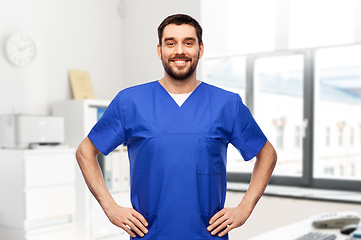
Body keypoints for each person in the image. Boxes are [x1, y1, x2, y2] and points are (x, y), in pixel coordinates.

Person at [76, 13, 277, 240]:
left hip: (207, 235)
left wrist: (244, 209)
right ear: (160, 50)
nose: (179, 51)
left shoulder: (227, 104)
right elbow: (85, 151)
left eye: (188, 43)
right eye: (170, 43)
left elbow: (267, 154)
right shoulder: (129, 102)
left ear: (200, 50)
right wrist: (111, 208)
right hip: (150, 235)